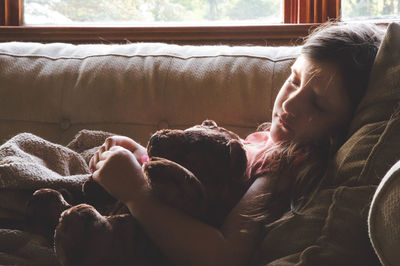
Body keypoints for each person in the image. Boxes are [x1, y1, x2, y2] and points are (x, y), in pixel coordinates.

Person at [89, 23, 383, 266]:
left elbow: (224, 255)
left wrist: (136, 193)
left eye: (317, 105)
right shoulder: (266, 142)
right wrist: (141, 158)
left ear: (341, 130)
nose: (290, 103)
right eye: (294, 79)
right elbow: (201, 184)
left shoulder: (282, 167)